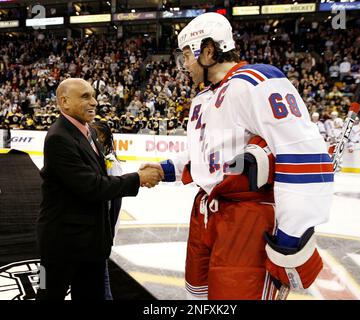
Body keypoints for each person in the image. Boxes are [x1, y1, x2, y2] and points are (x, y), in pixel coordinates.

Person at [142, 12, 333, 299]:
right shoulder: (201, 99)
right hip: (206, 213)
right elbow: (204, 152)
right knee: (199, 295)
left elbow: (303, 151)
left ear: (208, 51)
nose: (184, 66)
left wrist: (293, 230)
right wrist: (166, 169)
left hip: (247, 219)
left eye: (186, 56)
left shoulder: (258, 81)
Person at [36, 78, 163, 300]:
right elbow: (92, 186)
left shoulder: (88, 131)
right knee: (48, 294)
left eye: (93, 95)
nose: (94, 102)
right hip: (61, 246)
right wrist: (138, 178)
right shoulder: (58, 138)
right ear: (64, 102)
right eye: (85, 96)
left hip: (90, 243)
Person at [91, 121, 123, 300]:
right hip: (89, 233)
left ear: (103, 138)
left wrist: (109, 234)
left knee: (101, 280)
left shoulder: (110, 163)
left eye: (95, 134)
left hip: (101, 233)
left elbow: (115, 202)